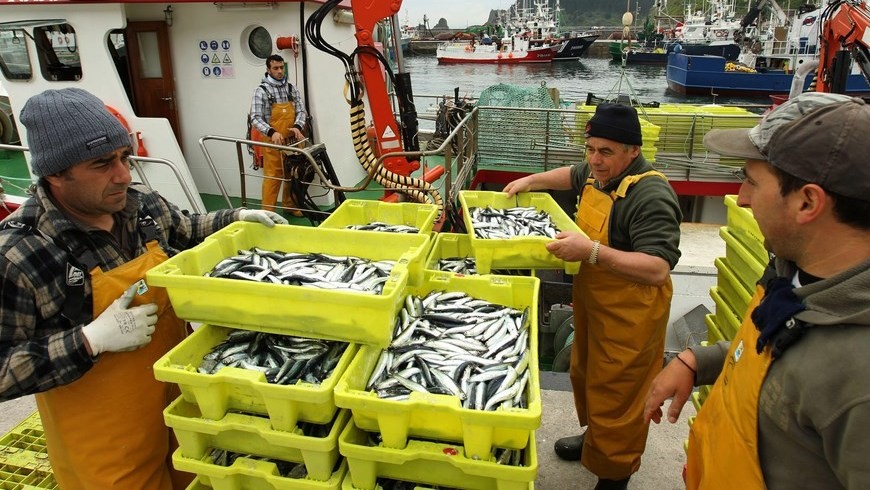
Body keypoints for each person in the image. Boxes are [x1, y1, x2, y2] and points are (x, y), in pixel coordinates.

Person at [0, 88, 287, 489]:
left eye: (124, 157)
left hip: (184, 409)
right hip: (106, 449)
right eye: (102, 164)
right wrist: (89, 340)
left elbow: (188, 230)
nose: (123, 175)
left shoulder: (142, 206)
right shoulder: (20, 254)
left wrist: (237, 218)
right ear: (55, 174)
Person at [644, 93, 870, 489]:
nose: (742, 198)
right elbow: (781, 343)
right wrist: (702, 361)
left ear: (808, 202)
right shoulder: (791, 271)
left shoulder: (858, 379)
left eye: (751, 181)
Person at [504, 103, 682, 489]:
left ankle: (614, 474)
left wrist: (591, 252)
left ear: (632, 151)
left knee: (620, 394)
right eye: (591, 149)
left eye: (606, 152)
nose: (595, 160)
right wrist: (530, 181)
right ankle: (595, 440)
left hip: (632, 313)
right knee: (588, 378)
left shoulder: (651, 194)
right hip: (595, 301)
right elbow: (570, 175)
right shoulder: (598, 174)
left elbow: (657, 268)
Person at [249, 54, 308, 218]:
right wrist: (272, 132)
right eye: (276, 68)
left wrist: (297, 126)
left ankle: (290, 205)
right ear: (268, 69)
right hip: (272, 143)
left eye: (282, 67)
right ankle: (268, 213)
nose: (280, 71)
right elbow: (255, 117)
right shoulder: (261, 91)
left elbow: (301, 111)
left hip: (292, 141)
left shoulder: (291, 88)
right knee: (273, 177)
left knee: (293, 174)